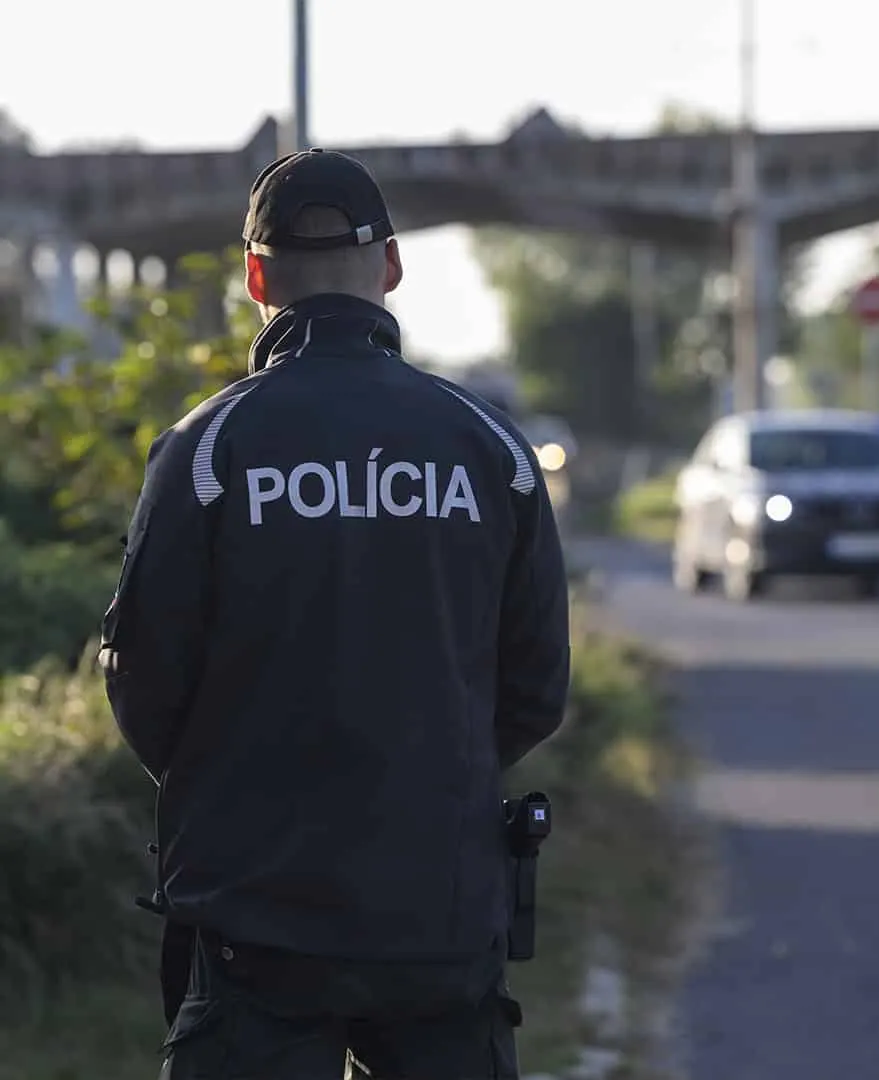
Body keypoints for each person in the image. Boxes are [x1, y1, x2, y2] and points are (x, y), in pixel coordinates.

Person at [101, 148, 571, 1080]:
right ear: (391, 267)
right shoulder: (491, 449)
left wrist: (241, 792)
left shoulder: (209, 446)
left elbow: (143, 679)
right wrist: (420, 778)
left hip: (254, 922)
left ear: (254, 275)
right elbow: (537, 687)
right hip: (442, 915)